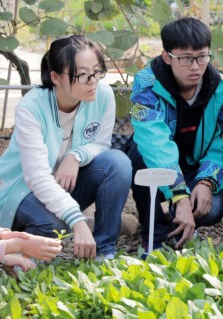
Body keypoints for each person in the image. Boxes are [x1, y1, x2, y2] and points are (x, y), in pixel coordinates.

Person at [0, 35, 131, 260]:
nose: (93, 81)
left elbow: (101, 143)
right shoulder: (31, 108)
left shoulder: (103, 95)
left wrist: (76, 156)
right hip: (22, 190)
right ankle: (21, 252)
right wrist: (77, 220)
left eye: (97, 72)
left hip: (64, 185)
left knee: (117, 163)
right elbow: (37, 178)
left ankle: (104, 251)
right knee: (56, 224)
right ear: (56, 77)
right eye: (82, 75)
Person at [126, 17, 223, 250]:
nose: (196, 66)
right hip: (153, 160)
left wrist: (206, 181)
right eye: (186, 59)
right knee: (139, 153)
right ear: (167, 57)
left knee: (212, 210)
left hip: (194, 165)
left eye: (202, 56)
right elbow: (154, 142)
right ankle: (155, 232)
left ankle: (180, 223)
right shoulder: (146, 83)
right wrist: (180, 194)